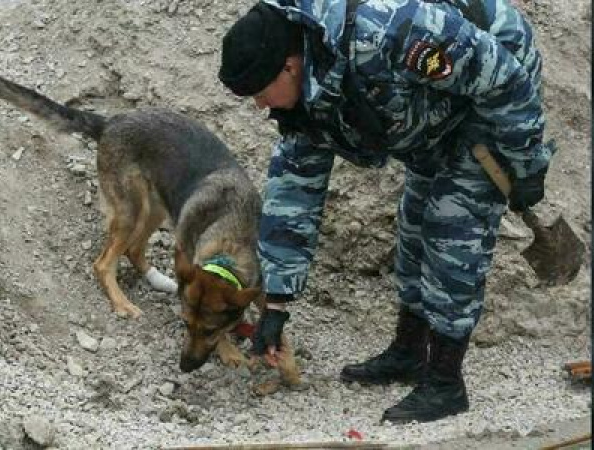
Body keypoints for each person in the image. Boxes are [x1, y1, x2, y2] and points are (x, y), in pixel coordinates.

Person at [218, 0, 552, 423]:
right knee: (414, 223)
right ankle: (409, 351)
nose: (260, 107)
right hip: (433, 110)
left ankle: (446, 382)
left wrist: (525, 162)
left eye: (260, 94)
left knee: (453, 232)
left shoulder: (391, 33)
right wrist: (276, 305)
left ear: (289, 66)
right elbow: (293, 196)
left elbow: (503, 79)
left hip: (492, 85)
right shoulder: (308, 95)